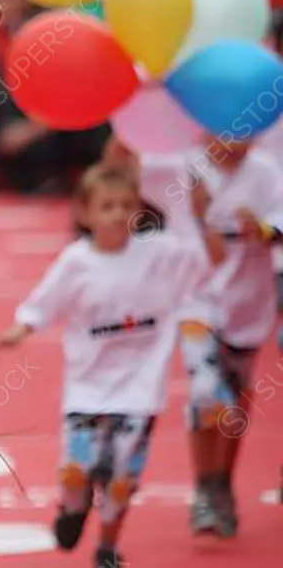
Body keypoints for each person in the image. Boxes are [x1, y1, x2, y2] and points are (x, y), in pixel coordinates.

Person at [0, 164, 225, 568]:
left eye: (125, 206)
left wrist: (204, 214)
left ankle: (107, 547)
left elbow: (209, 259)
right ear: (85, 214)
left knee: (122, 476)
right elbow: (45, 302)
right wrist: (21, 327)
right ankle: (73, 507)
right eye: (106, 206)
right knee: (76, 470)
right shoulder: (77, 261)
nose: (117, 214)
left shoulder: (160, 253)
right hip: (87, 387)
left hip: (140, 389)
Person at [106, 134, 283, 536]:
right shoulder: (178, 165)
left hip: (247, 302)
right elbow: (119, 162)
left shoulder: (267, 173)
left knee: (235, 398)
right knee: (206, 391)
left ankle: (220, 484)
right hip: (195, 299)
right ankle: (204, 488)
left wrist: (265, 230)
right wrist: (133, 115)